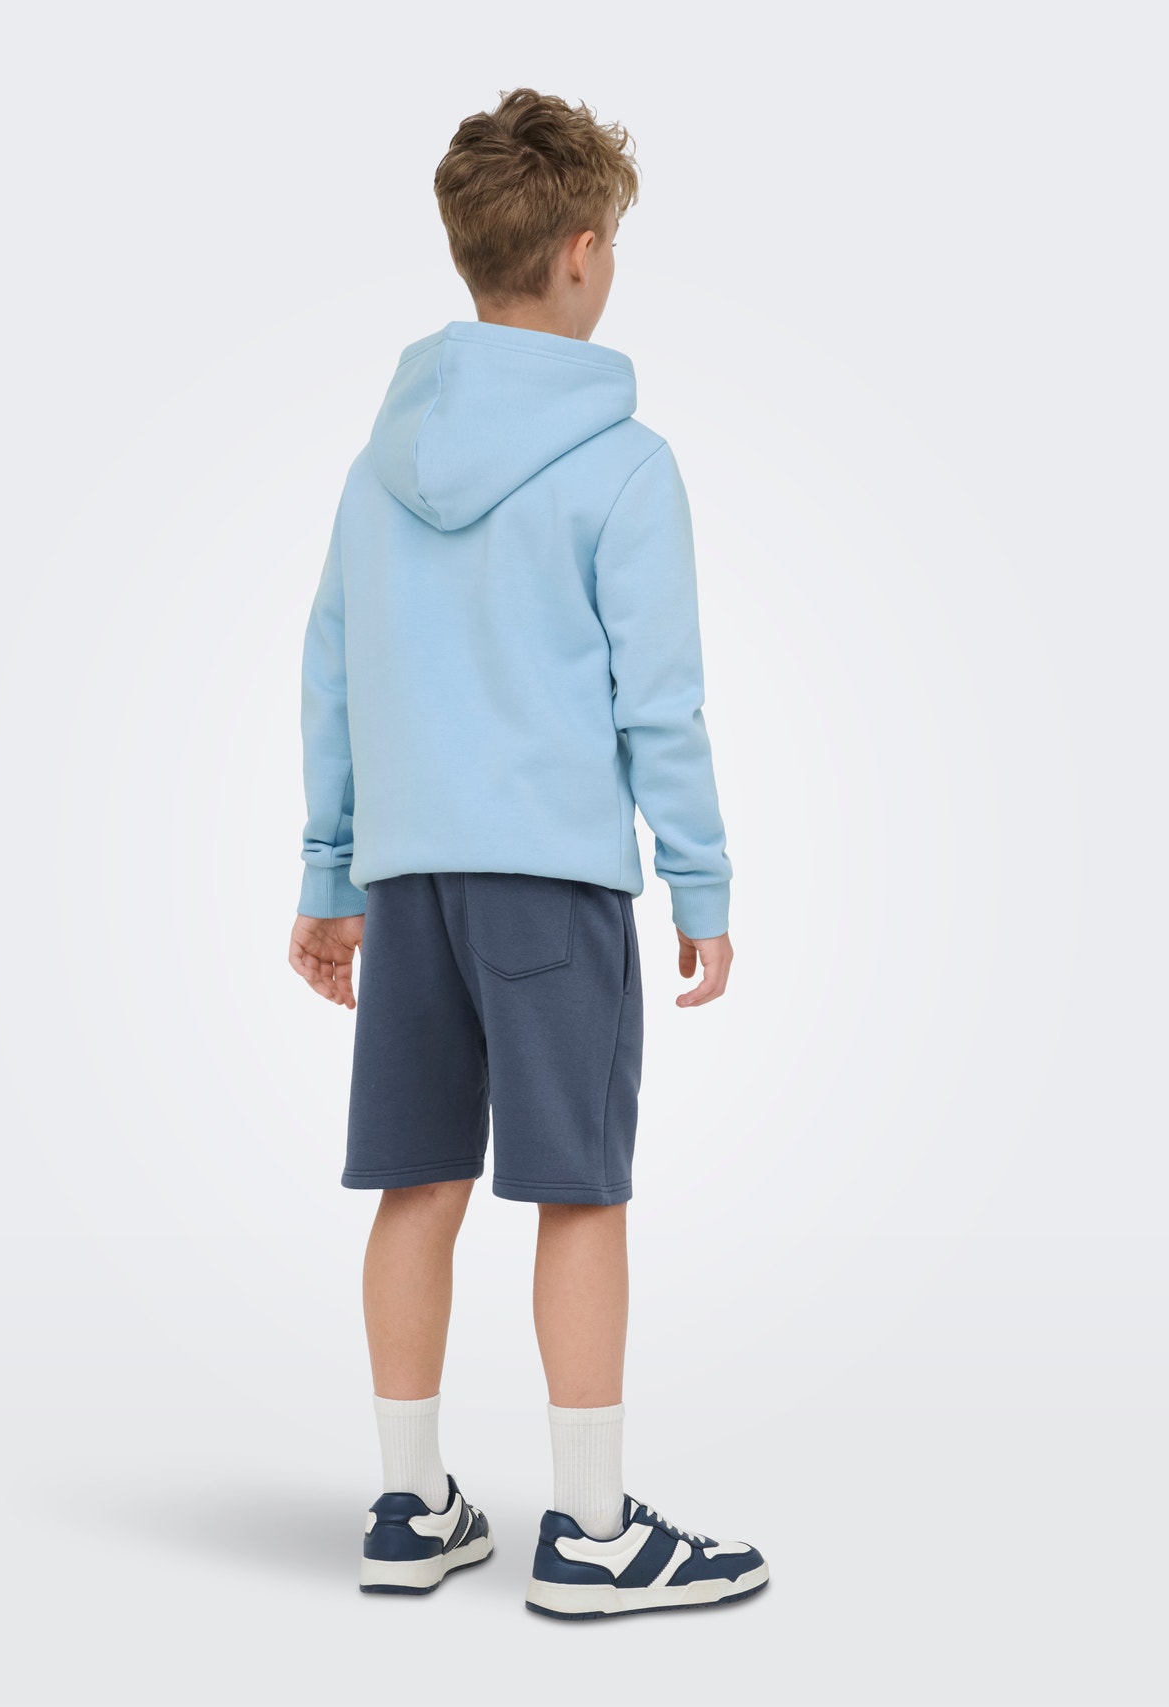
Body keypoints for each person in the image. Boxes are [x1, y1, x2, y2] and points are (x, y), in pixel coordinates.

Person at [288, 87, 768, 1620]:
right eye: (611, 241)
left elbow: (334, 675)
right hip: (555, 883)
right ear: (579, 252)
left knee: (416, 1181)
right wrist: (701, 882)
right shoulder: (624, 465)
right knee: (578, 1191)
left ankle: (409, 1507)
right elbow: (659, 701)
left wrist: (329, 876)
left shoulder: (379, 466)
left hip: (409, 879)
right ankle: (594, 1536)